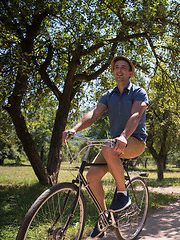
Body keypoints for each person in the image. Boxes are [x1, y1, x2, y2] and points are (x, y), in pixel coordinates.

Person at [62, 55, 148, 238]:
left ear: (131, 73)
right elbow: (94, 114)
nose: (119, 70)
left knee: (109, 147)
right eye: (116, 67)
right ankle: (105, 217)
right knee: (91, 177)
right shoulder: (108, 95)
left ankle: (123, 194)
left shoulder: (138, 92)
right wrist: (74, 128)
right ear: (113, 71)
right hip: (115, 144)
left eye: (124, 67)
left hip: (135, 141)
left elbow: (136, 116)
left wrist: (124, 136)